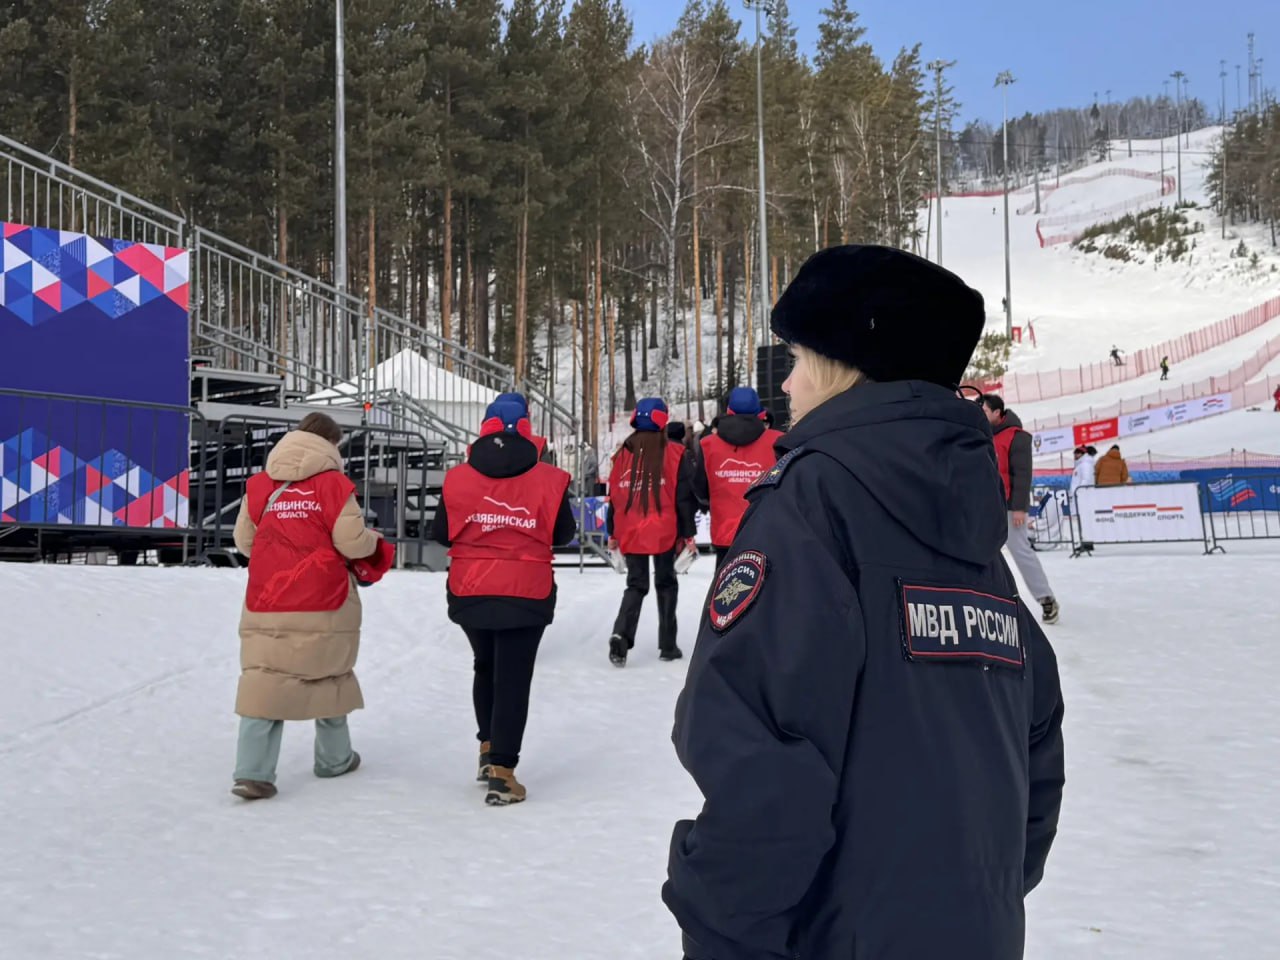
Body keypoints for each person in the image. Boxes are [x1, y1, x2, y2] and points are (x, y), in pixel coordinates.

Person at [663, 245, 1064, 960]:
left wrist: (723, 930)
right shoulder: (972, 526)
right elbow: (1035, 745)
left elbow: (758, 760)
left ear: (846, 366)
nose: (786, 384)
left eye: (798, 359)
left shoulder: (813, 501)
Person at [231, 412, 394, 801]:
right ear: (331, 445)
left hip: (267, 597)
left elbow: (244, 541)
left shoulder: (259, 486)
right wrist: (374, 540)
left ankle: (253, 773)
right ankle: (334, 759)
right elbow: (352, 543)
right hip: (323, 596)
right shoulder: (334, 485)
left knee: (263, 678)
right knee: (329, 671)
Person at [431, 398, 576, 805]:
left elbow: (441, 533)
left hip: (470, 587)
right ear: (528, 430)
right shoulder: (550, 478)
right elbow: (563, 534)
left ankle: (486, 750)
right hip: (525, 589)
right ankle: (503, 773)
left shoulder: (457, 477)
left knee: (486, 665)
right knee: (514, 676)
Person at [606, 398, 697, 667]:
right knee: (666, 583)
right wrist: (688, 533)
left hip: (631, 529)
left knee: (636, 584)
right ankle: (668, 645)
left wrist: (613, 532)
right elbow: (683, 499)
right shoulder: (675, 453)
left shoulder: (621, 455)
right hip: (664, 529)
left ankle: (621, 634)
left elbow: (615, 499)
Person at [981, 394, 1060, 625]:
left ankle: (1046, 598)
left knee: (1021, 552)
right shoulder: (982, 435)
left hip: (1008, 507)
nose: (981, 414)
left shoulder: (1017, 437)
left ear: (998, 413)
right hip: (986, 506)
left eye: (985, 410)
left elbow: (1022, 475)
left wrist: (1019, 508)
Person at [694, 386, 783, 569]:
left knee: (725, 592)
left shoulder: (707, 445)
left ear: (729, 412)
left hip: (724, 533)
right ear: (760, 413)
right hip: (766, 533)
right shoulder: (778, 441)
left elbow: (700, 489)